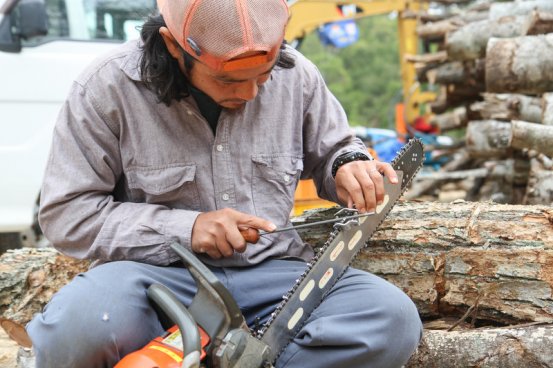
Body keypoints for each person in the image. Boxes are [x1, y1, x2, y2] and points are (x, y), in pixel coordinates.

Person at [26, 0, 422, 367]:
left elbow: (335, 148)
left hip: (273, 273)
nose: (249, 93)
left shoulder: (297, 74)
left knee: (389, 319)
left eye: (262, 77)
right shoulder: (105, 88)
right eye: (228, 80)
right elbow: (67, 215)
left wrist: (347, 166)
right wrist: (188, 229)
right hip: (154, 279)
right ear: (174, 45)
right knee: (73, 330)